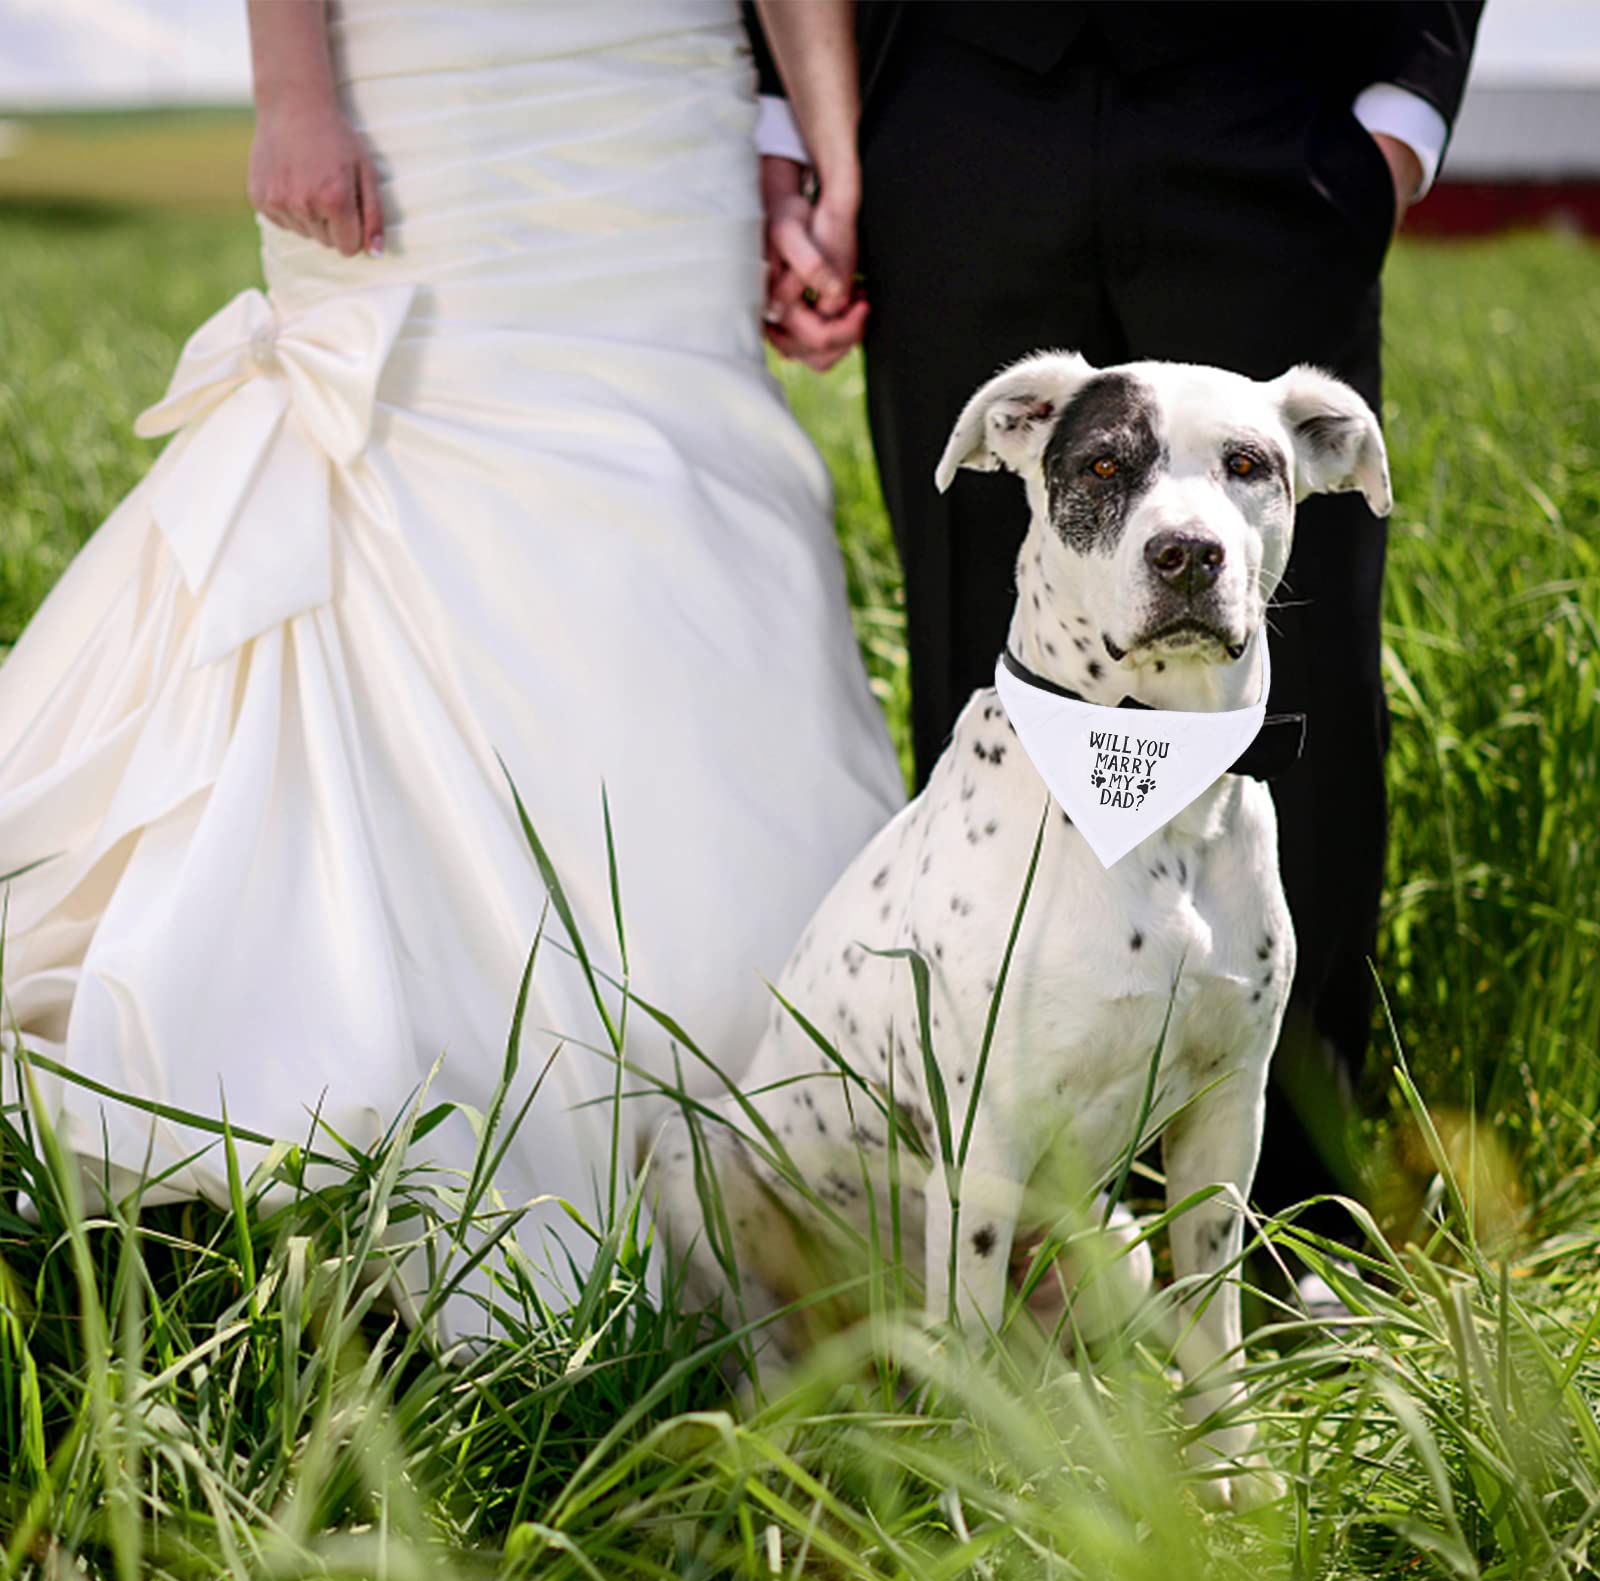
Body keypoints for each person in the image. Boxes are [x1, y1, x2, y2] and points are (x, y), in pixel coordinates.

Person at [0, 0, 903, 1329]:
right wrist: (291, 90)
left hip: (662, 112)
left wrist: (831, 151)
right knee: (411, 506)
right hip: (429, 89)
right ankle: (375, 1080)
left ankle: (770, 1151)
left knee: (682, 544)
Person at [749, 2, 1483, 1224]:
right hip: (954, 116)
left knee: (1300, 703)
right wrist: (797, 124)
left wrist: (1403, 110)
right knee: (981, 664)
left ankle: (1295, 1232)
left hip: (1266, 119)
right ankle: (1034, 1250)